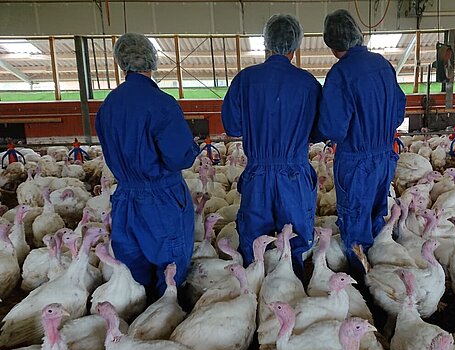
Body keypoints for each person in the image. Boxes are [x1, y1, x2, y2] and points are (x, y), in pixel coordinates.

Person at [95, 33, 199, 300]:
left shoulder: (107, 107)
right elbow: (180, 157)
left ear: (122, 63)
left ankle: (139, 323)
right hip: (161, 200)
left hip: (125, 199)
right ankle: (164, 323)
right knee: (170, 270)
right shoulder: (161, 104)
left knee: (133, 274)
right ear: (152, 61)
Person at [222, 14, 321, 277]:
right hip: (294, 175)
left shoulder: (245, 80)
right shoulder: (308, 83)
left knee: (254, 243)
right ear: (295, 45)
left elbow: (232, 127)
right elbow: (320, 130)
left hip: (258, 176)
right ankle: (292, 287)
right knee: (294, 243)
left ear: (267, 43)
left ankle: (255, 296)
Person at [316, 10, 406, 274]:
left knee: (355, 223)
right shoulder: (383, 65)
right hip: (384, 158)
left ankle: (362, 281)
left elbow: (333, 127)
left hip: (356, 162)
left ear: (332, 45)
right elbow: (399, 112)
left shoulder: (340, 74)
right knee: (377, 215)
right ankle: (381, 268)